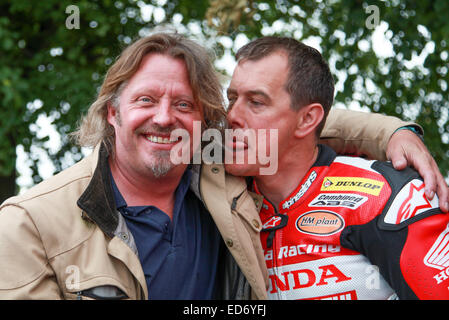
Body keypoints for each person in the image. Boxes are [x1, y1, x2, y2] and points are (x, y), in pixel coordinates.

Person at [0, 33, 445, 300]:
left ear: (201, 120)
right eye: (145, 100)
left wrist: (391, 132)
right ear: (111, 112)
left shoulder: (213, 165)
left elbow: (292, 129)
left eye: (183, 104)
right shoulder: (29, 224)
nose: (163, 118)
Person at [223, 36, 449, 299]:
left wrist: (394, 131)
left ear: (307, 119)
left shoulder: (387, 196)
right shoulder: (212, 190)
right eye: (231, 99)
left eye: (256, 102)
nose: (231, 116)